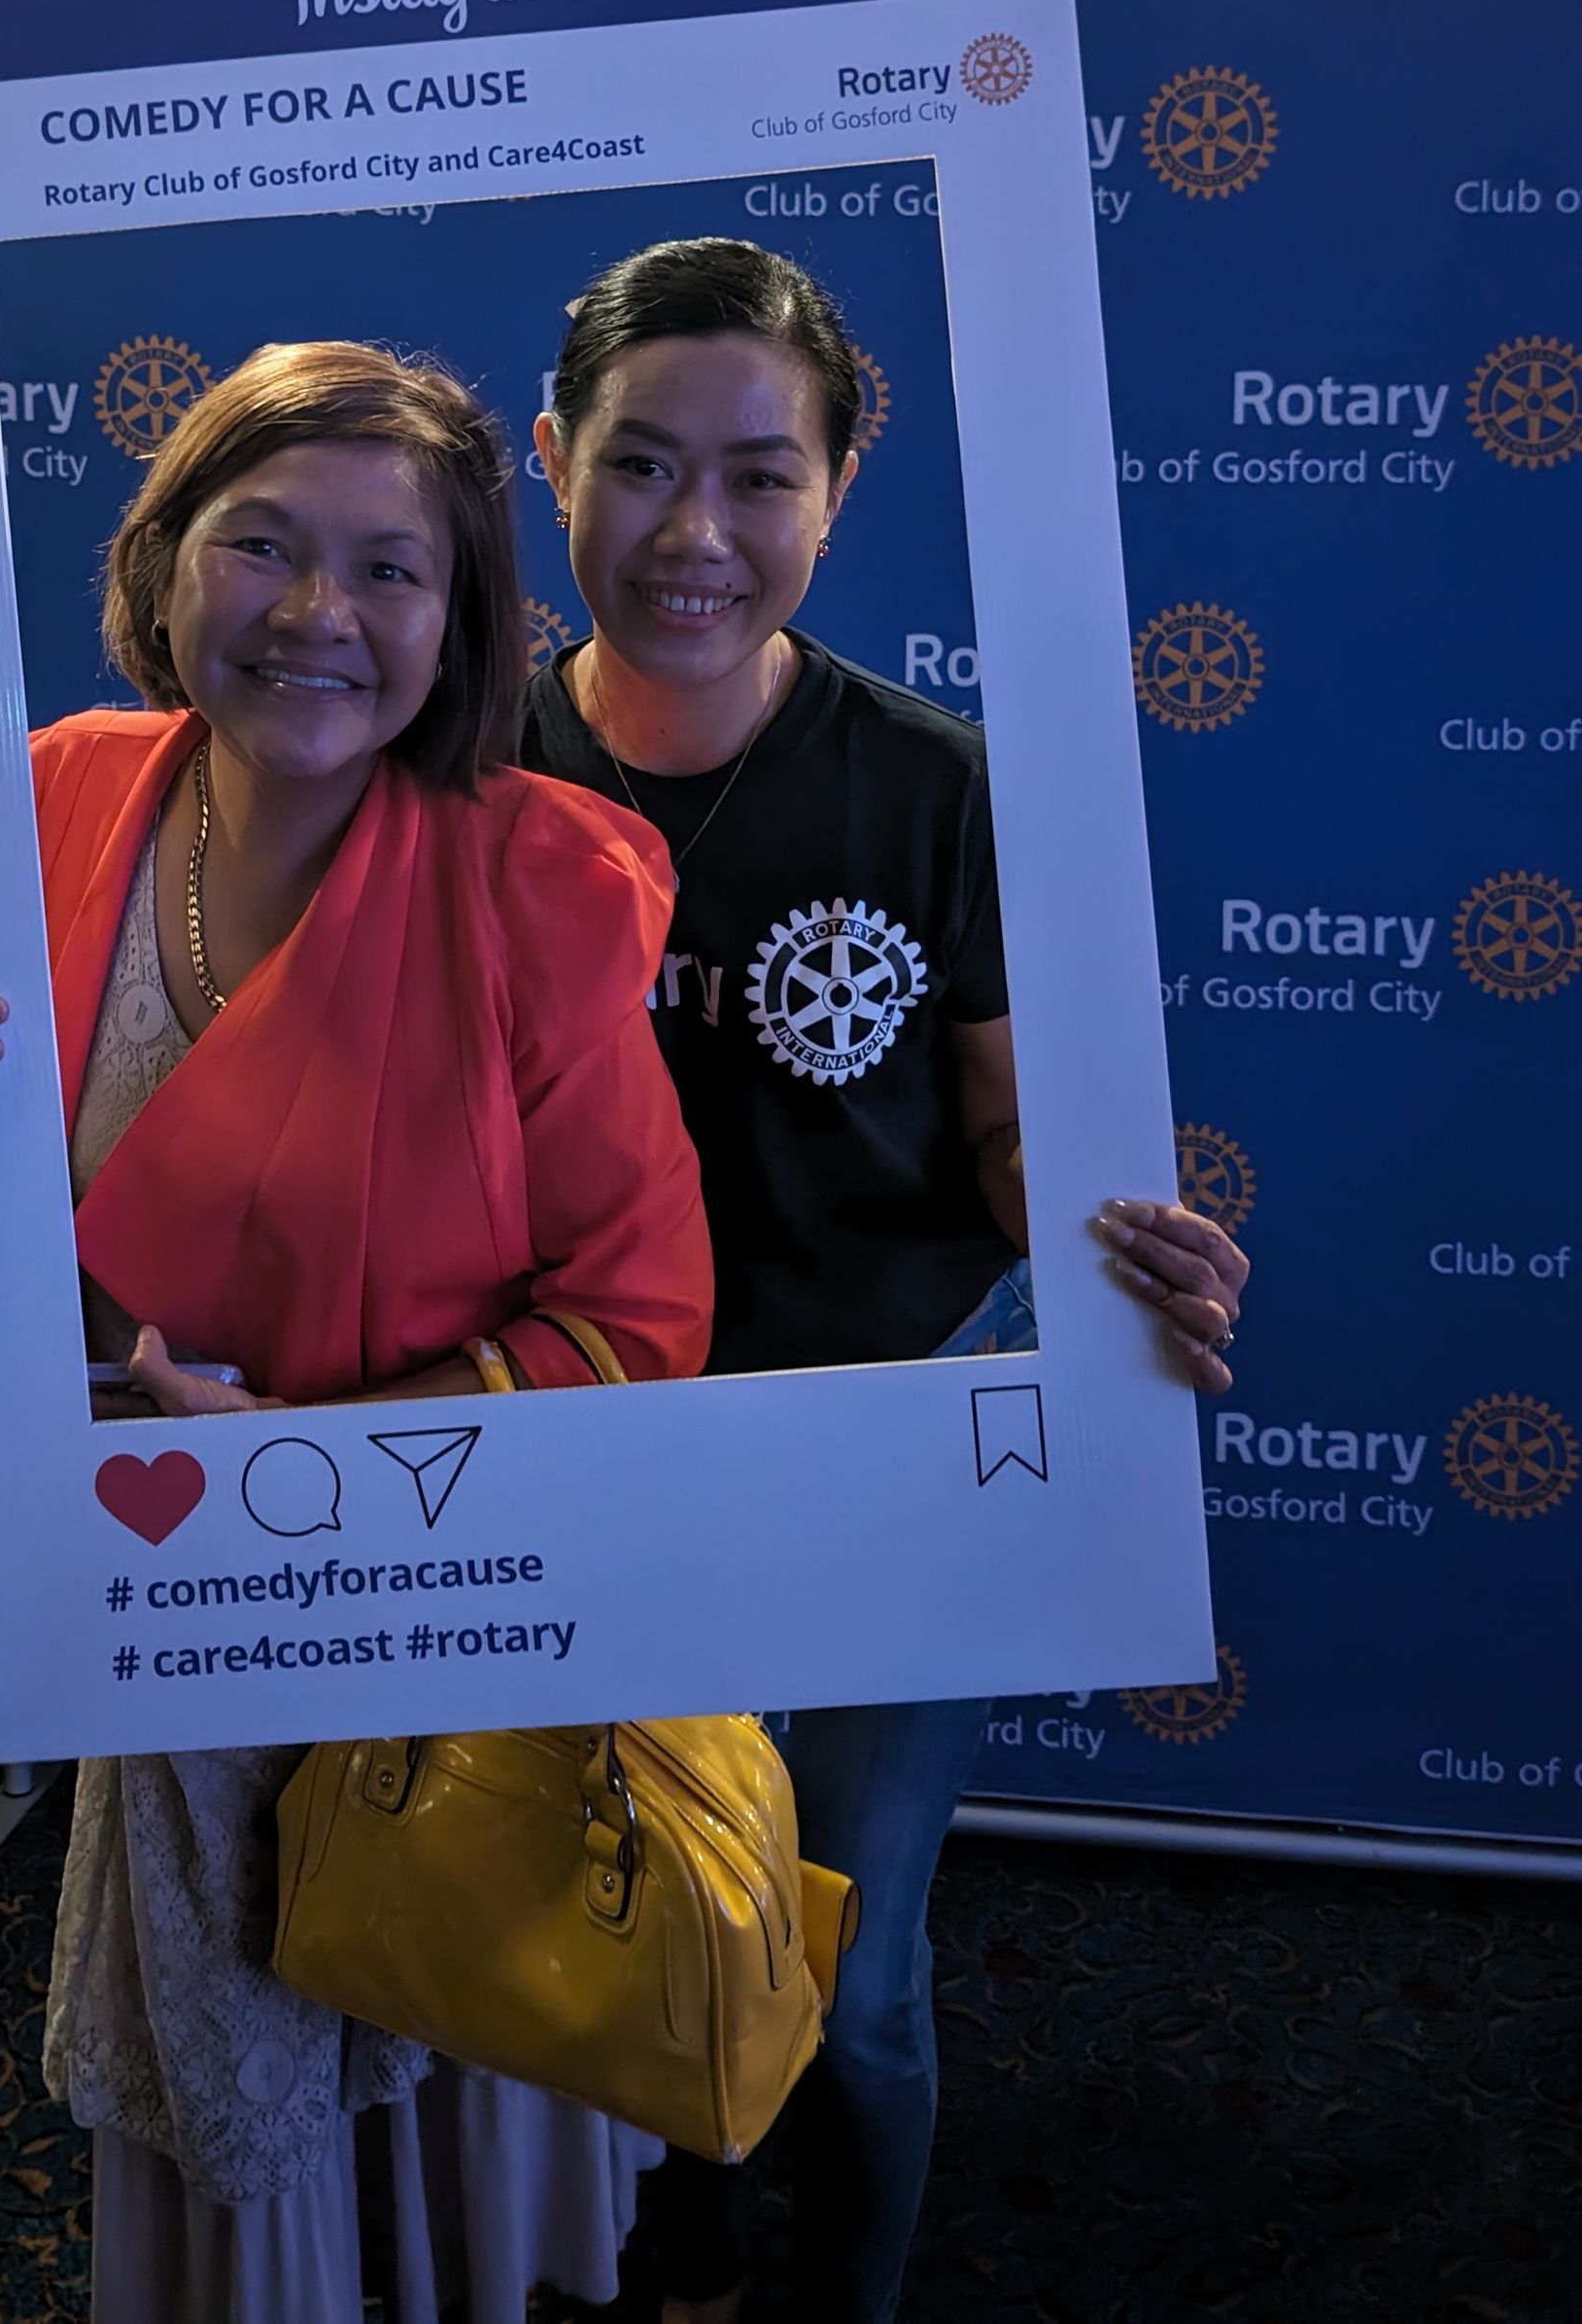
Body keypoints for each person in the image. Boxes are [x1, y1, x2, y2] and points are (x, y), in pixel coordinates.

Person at [0, 338, 716, 2324]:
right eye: (262, 544)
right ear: (163, 567)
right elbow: (13, 1171)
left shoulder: (542, 880)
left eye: (392, 569)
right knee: (239, 2145)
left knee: (441, 2135)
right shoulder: (44, 798)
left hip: (448, 1619)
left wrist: (315, 1469)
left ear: (460, 622)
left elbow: (636, 1319)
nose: (320, 610)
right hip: (171, 1626)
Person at [522, 237, 1250, 2324]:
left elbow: (1015, 1141)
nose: (696, 531)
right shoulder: (453, 762)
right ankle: (670, 2265)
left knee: (847, 1973)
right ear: (552, 460)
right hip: (583, 1446)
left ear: (840, 488)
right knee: (611, 1924)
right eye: (641, 463)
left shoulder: (937, 784)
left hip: (891, 1436)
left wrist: (1122, 1260)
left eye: (761, 474)